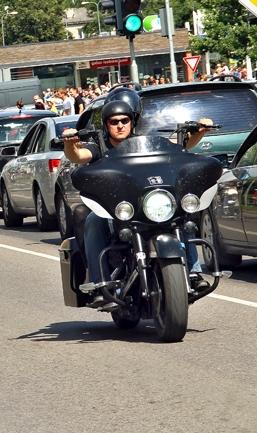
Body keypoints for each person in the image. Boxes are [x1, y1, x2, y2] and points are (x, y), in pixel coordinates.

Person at [62, 90, 214, 305]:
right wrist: (71, 142)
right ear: (106, 124)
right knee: (92, 220)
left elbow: (179, 148)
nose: (120, 125)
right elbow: (78, 156)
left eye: (124, 120)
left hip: (146, 206)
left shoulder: (145, 145)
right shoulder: (98, 147)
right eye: (114, 122)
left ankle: (194, 273)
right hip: (117, 210)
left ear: (132, 121)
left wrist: (200, 132)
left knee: (182, 213)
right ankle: (99, 283)